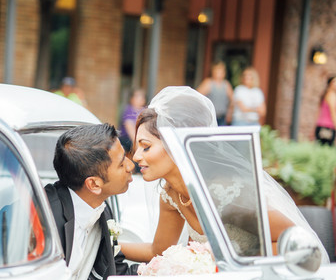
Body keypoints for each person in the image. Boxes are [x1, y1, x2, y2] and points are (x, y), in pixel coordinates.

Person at [120, 86, 330, 264]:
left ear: (175, 145)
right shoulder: (171, 196)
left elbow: (297, 242)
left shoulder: (225, 192)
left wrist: (226, 261)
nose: (136, 156)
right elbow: (159, 252)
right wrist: (110, 246)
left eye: (146, 147)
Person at [45, 123, 138, 280]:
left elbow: (114, 271)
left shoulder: (101, 209)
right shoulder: (42, 218)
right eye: (121, 162)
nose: (131, 165)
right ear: (94, 184)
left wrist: (168, 274)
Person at [197, 61, 233, 126]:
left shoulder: (226, 84)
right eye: (217, 71)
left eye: (221, 71)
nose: (219, 74)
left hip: (222, 117)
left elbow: (232, 100)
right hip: (210, 116)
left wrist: (229, 113)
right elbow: (197, 96)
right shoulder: (208, 83)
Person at [119, 88, 146, 152]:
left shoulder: (145, 110)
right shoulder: (128, 110)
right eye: (137, 96)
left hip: (141, 137)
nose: (140, 98)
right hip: (127, 138)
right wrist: (138, 145)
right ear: (131, 99)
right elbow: (130, 130)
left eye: (142, 96)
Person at [314, 76, 336, 146]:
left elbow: (318, 112)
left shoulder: (326, 94)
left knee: (321, 148)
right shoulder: (331, 96)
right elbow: (333, 113)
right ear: (330, 84)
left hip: (321, 126)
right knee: (327, 148)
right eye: (334, 81)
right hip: (327, 127)